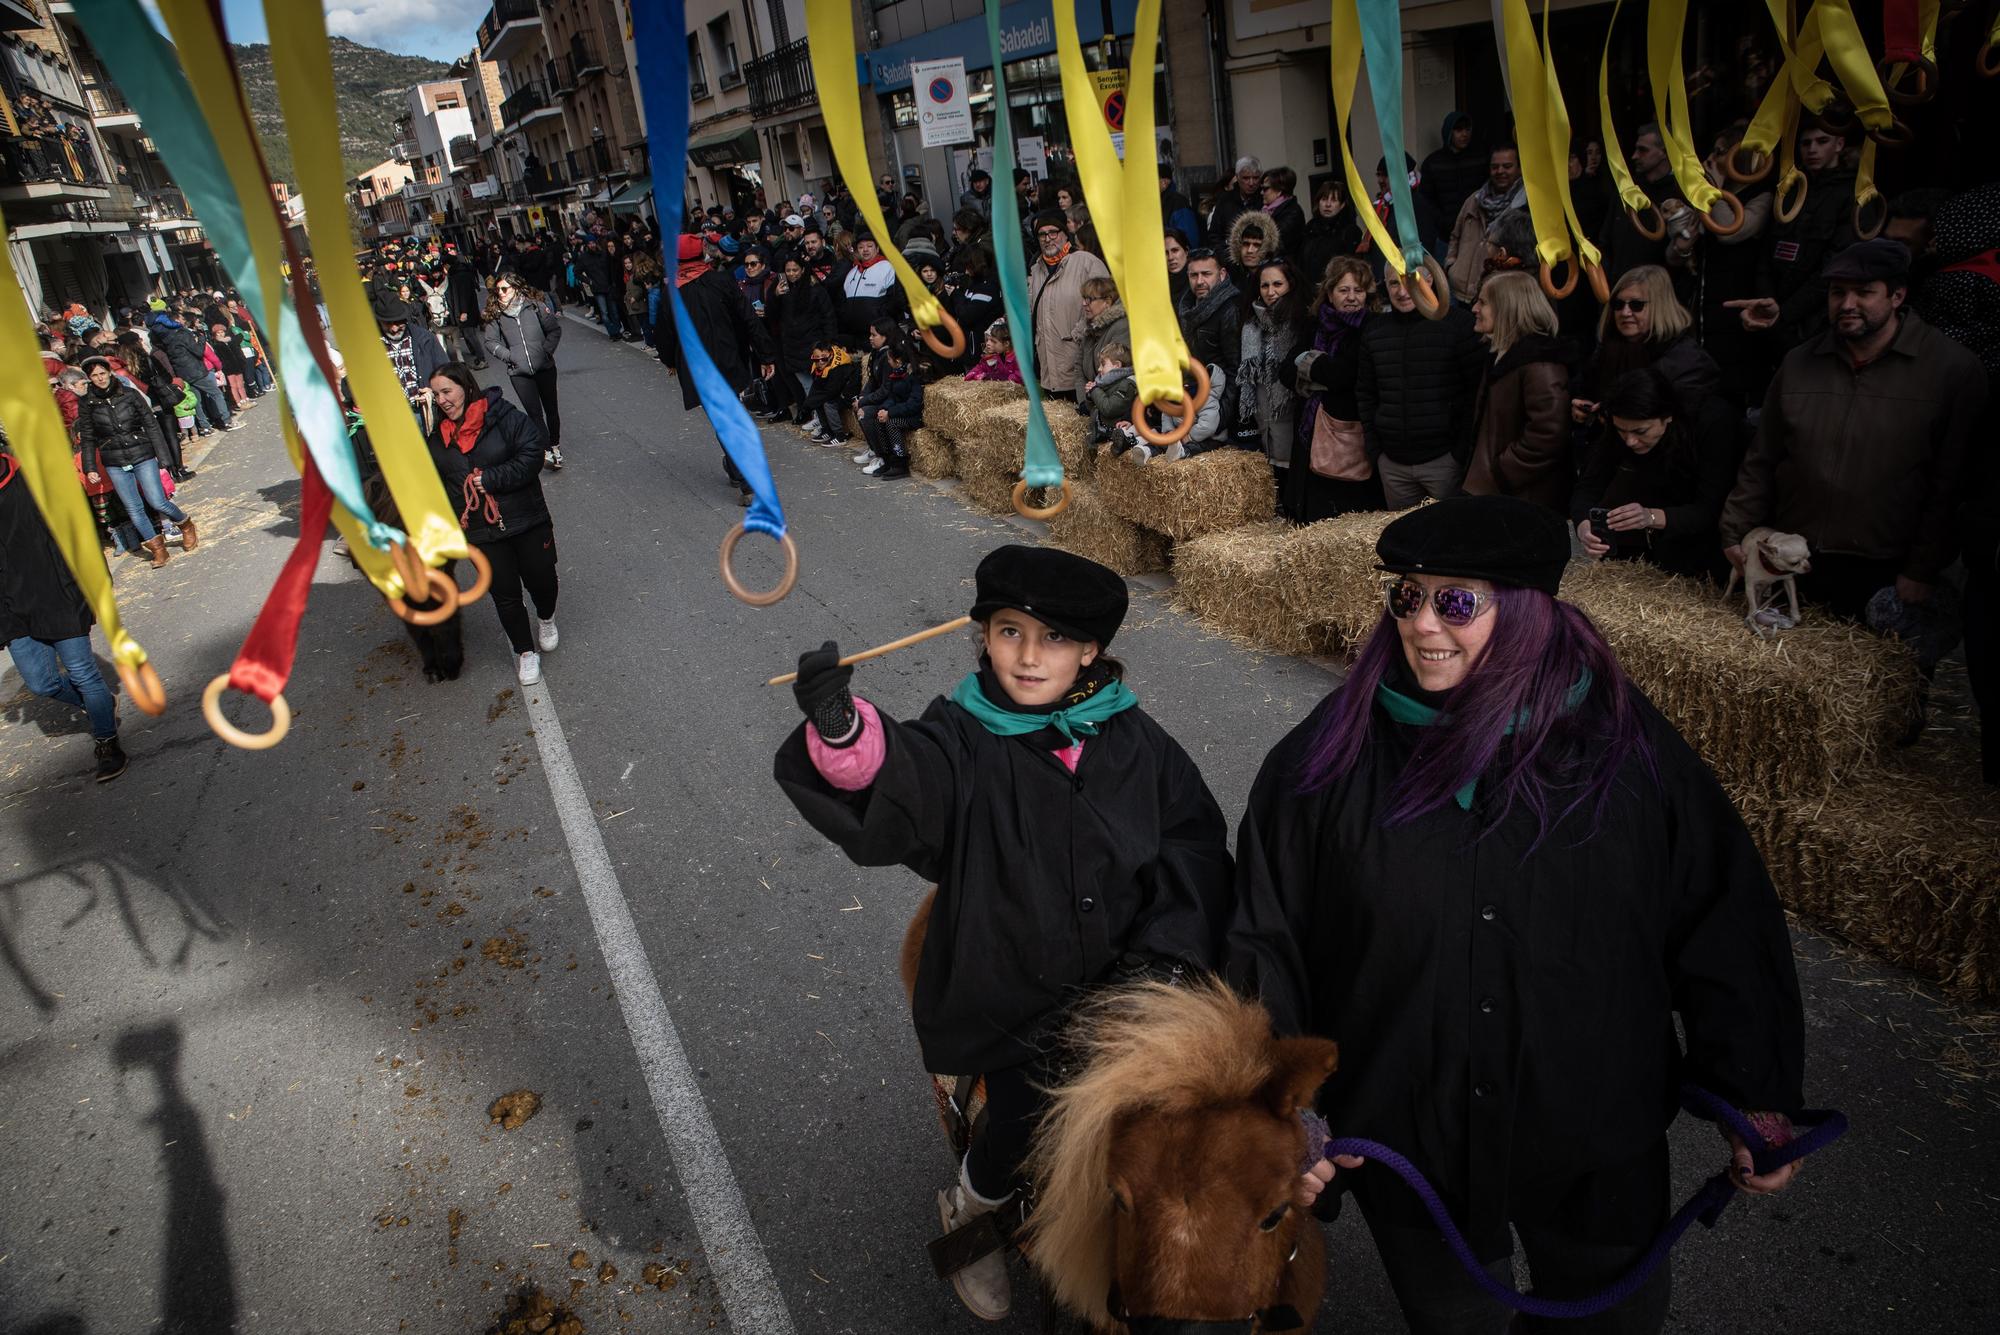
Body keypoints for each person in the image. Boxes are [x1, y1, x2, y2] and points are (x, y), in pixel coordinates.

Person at [1228, 495, 1809, 1335]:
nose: (1422, 623)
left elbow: (1722, 916)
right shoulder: (1324, 760)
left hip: (1592, 1125)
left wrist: (1754, 1095)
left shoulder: (1629, 753)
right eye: (1406, 595)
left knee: (1615, 1319)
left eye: (1456, 600)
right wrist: (1283, 1112)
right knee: (1457, 1322)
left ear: (1530, 611)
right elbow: (1266, 937)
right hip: (1410, 1127)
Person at [773, 544, 1231, 1323]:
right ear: (983, 636)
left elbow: (1192, 843)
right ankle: (975, 1202)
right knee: (1026, 1113)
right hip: (1018, 991)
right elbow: (908, 781)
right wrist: (845, 732)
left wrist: (1170, 960)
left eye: (1054, 637)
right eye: (1009, 630)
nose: (1027, 655)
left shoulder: (1137, 740)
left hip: (1131, 982)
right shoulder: (962, 734)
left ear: (1090, 650)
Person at [1719, 239, 1987, 621]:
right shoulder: (1799, 363)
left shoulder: (1950, 369)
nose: (1847, 304)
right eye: (1837, 292)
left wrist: (1922, 568)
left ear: (1897, 296)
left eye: (1864, 292)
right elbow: (1763, 457)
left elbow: (1951, 483)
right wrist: (1735, 531)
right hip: (1798, 554)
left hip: (1887, 567)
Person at [423, 363, 557, 686]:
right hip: (481, 534)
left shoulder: (504, 416)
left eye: (447, 391)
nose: (442, 400)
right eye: (436, 395)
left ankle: (546, 617)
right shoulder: (436, 441)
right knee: (504, 594)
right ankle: (525, 652)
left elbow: (533, 454)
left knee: (542, 581)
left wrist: (493, 479)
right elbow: (436, 487)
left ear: (466, 387)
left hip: (527, 519)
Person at [0, 444, 127, 781]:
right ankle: (100, 704)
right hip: (12, 608)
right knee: (41, 683)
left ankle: (107, 742)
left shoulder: (34, 478)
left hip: (58, 593)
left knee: (83, 674)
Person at [1574, 368, 1736, 581]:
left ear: (1667, 417)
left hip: (1707, 547)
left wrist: (1651, 516)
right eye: (1621, 431)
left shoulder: (1711, 422)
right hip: (1650, 549)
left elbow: (1711, 508)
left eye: (1640, 432)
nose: (1630, 441)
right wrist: (1584, 526)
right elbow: (1589, 485)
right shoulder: (1622, 424)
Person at [659, 234, 777, 507]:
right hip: (728, 358)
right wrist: (765, 354)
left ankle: (746, 480)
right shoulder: (722, 280)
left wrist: (669, 361)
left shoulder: (672, 292)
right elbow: (748, 317)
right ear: (702, 253)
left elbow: (665, 332)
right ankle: (738, 469)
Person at [1357, 265, 1486, 507]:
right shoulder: (1375, 331)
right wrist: (1377, 453)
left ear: (1430, 281)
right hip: (1393, 465)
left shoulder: (1459, 324)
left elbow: (1475, 393)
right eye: (1394, 283)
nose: (1402, 292)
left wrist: (1459, 454)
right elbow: (1366, 394)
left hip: (1444, 462)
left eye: (1411, 282)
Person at [1462, 271, 1572, 514]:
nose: (1474, 309)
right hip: (1498, 491)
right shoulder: (1500, 355)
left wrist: (1502, 472)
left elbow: (1548, 435)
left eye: (1483, 302)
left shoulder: (1539, 363)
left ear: (1507, 307)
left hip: (1520, 497)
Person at [1572, 265, 1726, 430]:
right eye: (1618, 304)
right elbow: (1584, 388)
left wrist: (1614, 413)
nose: (1625, 312)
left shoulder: (1687, 361)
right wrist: (1582, 406)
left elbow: (1676, 420)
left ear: (1660, 307)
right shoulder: (1607, 350)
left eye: (1636, 305)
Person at [77, 356, 195, 569]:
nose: (100, 378)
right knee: (134, 508)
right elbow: (87, 437)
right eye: (94, 376)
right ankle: (158, 549)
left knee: (157, 501)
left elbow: (151, 425)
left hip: (141, 453)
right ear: (89, 379)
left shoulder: (129, 394)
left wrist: (163, 457)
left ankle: (185, 524)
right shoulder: (87, 403)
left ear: (109, 373)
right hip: (113, 459)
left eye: (102, 373)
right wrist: (90, 467)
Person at [1288, 257, 1383, 521]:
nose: (1351, 297)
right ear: (1330, 293)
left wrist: (1309, 367)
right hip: (1310, 432)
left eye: (1358, 290)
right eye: (1344, 290)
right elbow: (1285, 370)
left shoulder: (1371, 327)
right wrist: (1321, 370)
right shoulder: (1314, 325)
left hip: (1349, 434)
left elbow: (1345, 375)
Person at [479, 273, 565, 471]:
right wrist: (510, 356)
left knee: (551, 410)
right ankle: (547, 452)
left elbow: (554, 330)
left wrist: (546, 351)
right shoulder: (496, 314)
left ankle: (555, 445)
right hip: (519, 373)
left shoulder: (535, 306)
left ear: (516, 288)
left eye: (505, 289)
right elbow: (490, 342)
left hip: (544, 367)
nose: (501, 293)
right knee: (534, 413)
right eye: (498, 290)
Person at [1238, 258, 1312, 479]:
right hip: (1263, 419)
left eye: (1277, 284)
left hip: (1293, 414)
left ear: (1291, 284)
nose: (1271, 292)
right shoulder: (1251, 324)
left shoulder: (1302, 320)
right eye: (1265, 285)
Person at [1026, 211, 1110, 398]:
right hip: (1048, 370)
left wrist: (1078, 335)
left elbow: (1106, 305)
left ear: (1065, 234)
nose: (1048, 239)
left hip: (1081, 367)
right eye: (1042, 234)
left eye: (1053, 232)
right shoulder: (1036, 270)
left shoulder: (1086, 262)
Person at [1445, 146, 1526, 305]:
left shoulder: (1525, 206)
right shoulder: (1474, 200)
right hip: (1461, 293)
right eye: (1495, 167)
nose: (1500, 171)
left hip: (1499, 297)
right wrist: (1451, 265)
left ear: (1519, 169)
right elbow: (1455, 236)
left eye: (1507, 166)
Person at [1176, 248, 1244, 429]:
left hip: (1217, 405)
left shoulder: (1230, 309)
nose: (1200, 281)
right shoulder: (1186, 308)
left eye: (1206, 274)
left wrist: (1221, 417)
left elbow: (1235, 368)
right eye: (1194, 275)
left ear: (1222, 274)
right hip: (1191, 397)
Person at [766, 254, 837, 427]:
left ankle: (822, 419)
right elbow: (771, 315)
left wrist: (828, 341)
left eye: (795, 270)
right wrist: (775, 296)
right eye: (788, 270)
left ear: (803, 270)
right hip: (791, 343)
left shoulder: (815, 288)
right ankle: (816, 417)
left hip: (812, 341)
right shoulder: (780, 287)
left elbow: (827, 315)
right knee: (805, 384)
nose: (791, 274)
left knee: (816, 383)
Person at [373, 289, 449, 420]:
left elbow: (446, 371)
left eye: (398, 322)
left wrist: (434, 392)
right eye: (387, 323)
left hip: (424, 413)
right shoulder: (371, 346)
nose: (394, 328)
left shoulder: (425, 338)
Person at [1419, 111, 1487, 223]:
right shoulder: (1433, 163)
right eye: (1459, 130)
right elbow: (1426, 199)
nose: (1464, 134)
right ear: (1449, 132)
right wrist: (1442, 221)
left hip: (1475, 224)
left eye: (1467, 129)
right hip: (1445, 227)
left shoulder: (1479, 159)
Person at [1069, 277, 1129, 403]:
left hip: (1110, 407)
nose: (1084, 303)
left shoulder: (1121, 328)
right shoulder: (1090, 328)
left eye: (1089, 299)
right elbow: (1079, 368)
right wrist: (1084, 402)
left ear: (1107, 302)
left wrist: (1094, 399)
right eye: (1084, 298)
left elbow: (1117, 375)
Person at [1298, 181, 1362, 292]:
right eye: (1324, 199)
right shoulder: (1310, 228)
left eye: (1333, 200)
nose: (1328, 204)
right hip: (1308, 290)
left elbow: (1352, 266)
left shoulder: (1350, 231)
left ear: (1342, 205)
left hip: (1335, 290)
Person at [839, 232, 898, 346]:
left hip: (878, 334)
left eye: (869, 246)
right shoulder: (852, 272)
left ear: (877, 248)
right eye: (861, 247)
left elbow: (894, 300)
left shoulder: (888, 268)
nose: (865, 250)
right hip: (853, 334)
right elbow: (843, 301)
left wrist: (880, 318)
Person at [802, 340, 860, 448]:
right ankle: (827, 430)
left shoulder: (838, 367)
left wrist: (810, 403)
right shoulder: (817, 366)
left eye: (823, 358)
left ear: (830, 355)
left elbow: (832, 391)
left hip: (846, 394)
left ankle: (840, 436)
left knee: (828, 403)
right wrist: (810, 402)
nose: (820, 362)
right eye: (816, 359)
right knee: (818, 402)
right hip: (834, 392)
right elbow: (817, 386)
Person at [1206, 156, 1263, 249]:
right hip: (1228, 253)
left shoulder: (1264, 199)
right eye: (1246, 178)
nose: (1251, 183)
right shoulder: (1225, 200)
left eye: (1256, 178)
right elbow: (1214, 235)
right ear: (1237, 177)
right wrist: (1225, 254)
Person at [1226, 209, 1281, 293]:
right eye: (1246, 244)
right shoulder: (1233, 276)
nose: (1249, 250)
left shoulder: (1276, 278)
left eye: (1257, 245)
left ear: (1266, 248)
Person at [1260, 166, 1307, 262]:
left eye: (1265, 189)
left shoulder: (1293, 212)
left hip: (1286, 265)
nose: (1261, 192)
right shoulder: (1266, 210)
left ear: (1279, 191)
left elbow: (1274, 241)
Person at [963, 318, 1022, 383]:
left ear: (1006, 343)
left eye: (993, 341)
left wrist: (999, 379)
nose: (988, 343)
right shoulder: (992, 357)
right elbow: (981, 367)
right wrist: (973, 374)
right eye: (987, 340)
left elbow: (1020, 376)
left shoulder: (1018, 358)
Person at [1163, 228, 1193, 308]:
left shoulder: (1198, 279)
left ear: (1186, 251)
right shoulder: (1158, 284)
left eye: (1175, 250)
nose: (1170, 257)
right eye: (1165, 253)